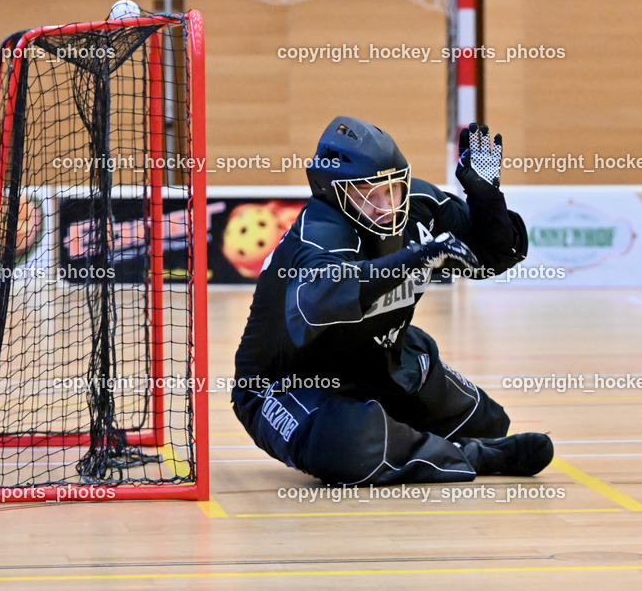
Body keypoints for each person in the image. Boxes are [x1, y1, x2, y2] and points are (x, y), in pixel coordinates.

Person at [231, 117, 552, 486]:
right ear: (334, 193)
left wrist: (485, 197)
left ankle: (422, 440)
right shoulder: (320, 231)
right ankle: (467, 455)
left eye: (393, 189)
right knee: (344, 449)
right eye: (369, 194)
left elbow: (495, 258)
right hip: (288, 385)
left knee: (492, 425)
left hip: (381, 362)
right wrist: (418, 257)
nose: (386, 205)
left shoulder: (419, 204)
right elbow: (322, 301)